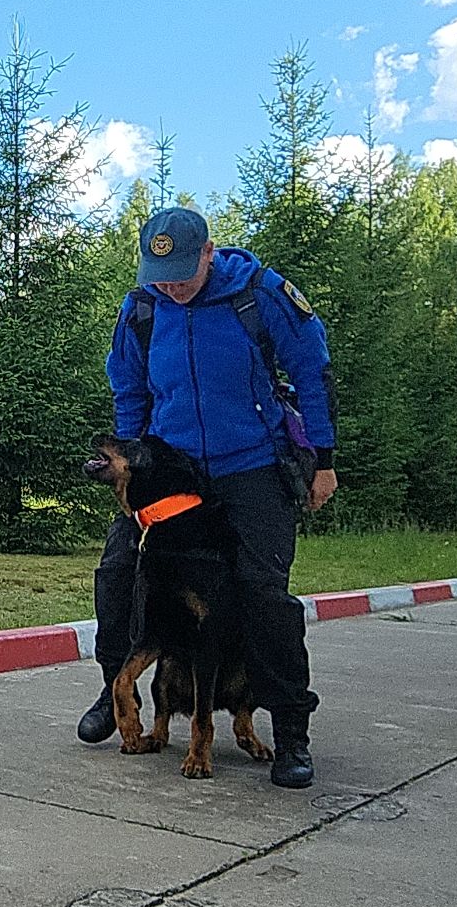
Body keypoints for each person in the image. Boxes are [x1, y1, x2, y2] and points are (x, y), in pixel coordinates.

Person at [77, 207, 338, 789]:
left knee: (261, 593)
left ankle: (291, 731)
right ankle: (113, 691)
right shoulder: (142, 307)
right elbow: (129, 383)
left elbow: (312, 370)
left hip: (250, 468)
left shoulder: (259, 293)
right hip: (173, 471)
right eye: (157, 271)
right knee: (121, 573)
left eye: (179, 272)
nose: (168, 284)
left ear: (209, 253)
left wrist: (323, 460)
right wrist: (133, 462)